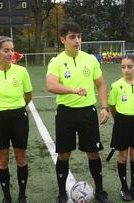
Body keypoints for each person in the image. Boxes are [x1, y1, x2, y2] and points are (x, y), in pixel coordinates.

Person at [46, 22, 112, 203]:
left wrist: (104, 107)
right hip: (66, 113)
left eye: (79, 37)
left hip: (87, 112)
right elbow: (51, 85)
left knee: (93, 152)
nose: (77, 41)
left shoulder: (90, 59)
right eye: (72, 37)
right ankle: (61, 193)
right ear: (63, 39)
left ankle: (99, 190)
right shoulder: (56, 62)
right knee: (63, 154)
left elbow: (101, 84)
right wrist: (73, 90)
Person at [0, 36, 33, 203]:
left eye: (12, 50)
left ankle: (22, 195)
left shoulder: (22, 71)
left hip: (18, 116)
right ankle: (7, 196)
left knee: (20, 156)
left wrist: (16, 107)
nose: (10, 53)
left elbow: (28, 96)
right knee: (2, 159)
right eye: (6, 50)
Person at [108, 54, 134, 201]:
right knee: (123, 156)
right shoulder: (116, 85)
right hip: (121, 122)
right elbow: (112, 106)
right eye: (123, 67)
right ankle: (124, 187)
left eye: (129, 67)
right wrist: (119, 120)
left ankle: (133, 187)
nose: (126, 70)